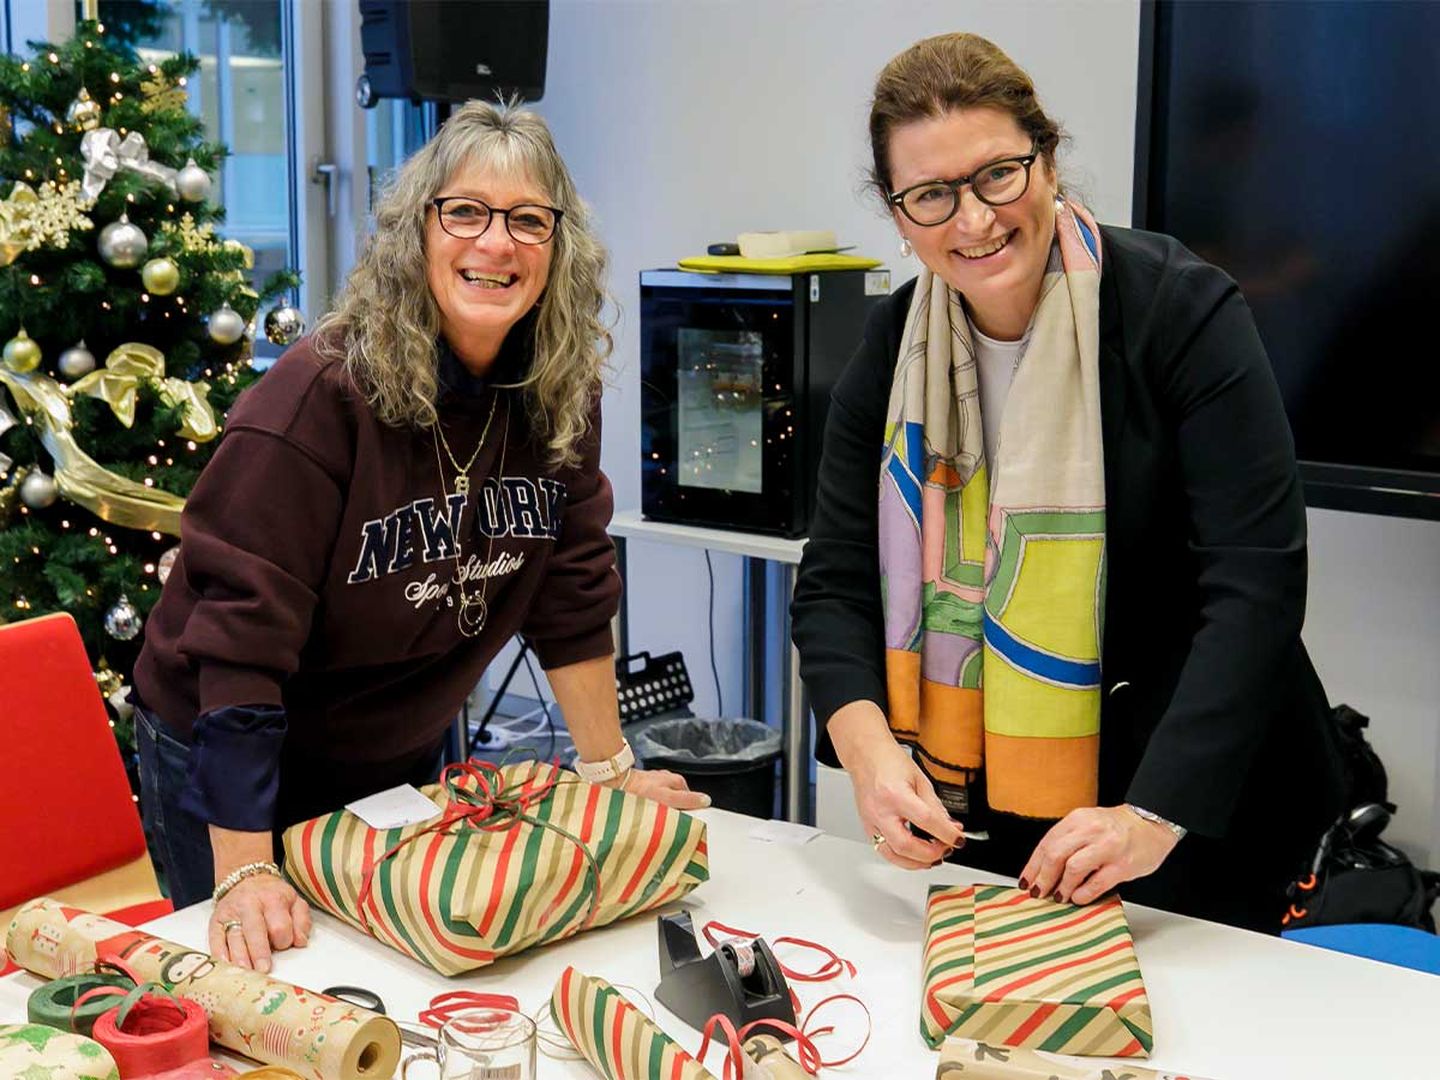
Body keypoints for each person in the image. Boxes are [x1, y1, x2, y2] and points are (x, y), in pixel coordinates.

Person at [132, 100, 705, 972]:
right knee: (264, 990)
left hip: (395, 740)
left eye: (527, 220)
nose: (495, 243)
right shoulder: (314, 403)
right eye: (465, 212)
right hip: (235, 743)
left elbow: (572, 588)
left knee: (389, 971)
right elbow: (240, 647)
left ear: (560, 250)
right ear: (416, 233)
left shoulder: (559, 395)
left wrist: (608, 768)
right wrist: (245, 867)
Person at [791, 33, 1344, 931]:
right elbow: (835, 578)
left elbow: (1258, 584)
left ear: (1046, 160)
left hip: (1194, 812)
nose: (972, 220)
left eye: (997, 175)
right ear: (898, 215)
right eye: (931, 195)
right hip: (996, 814)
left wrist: (1153, 814)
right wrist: (869, 752)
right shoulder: (893, 349)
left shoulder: (1181, 310)